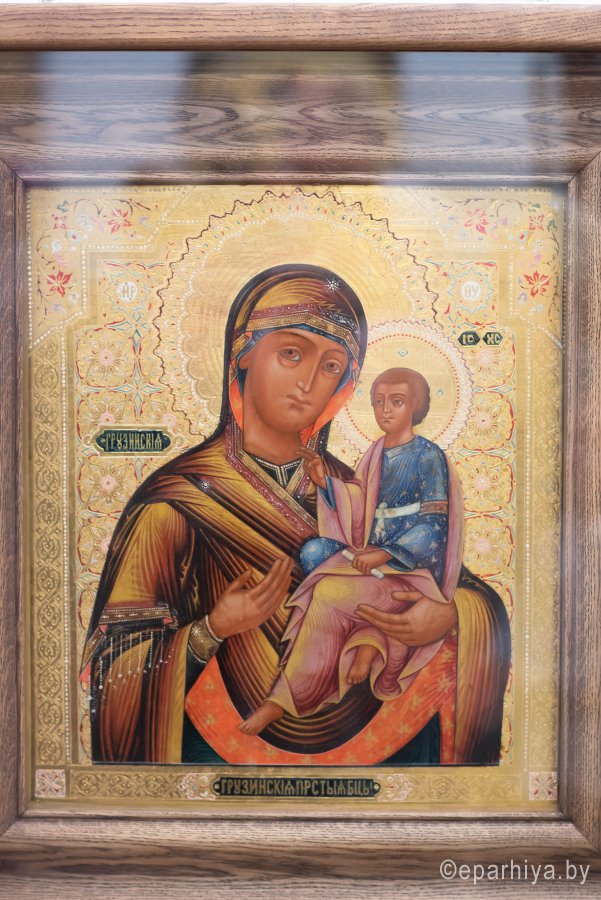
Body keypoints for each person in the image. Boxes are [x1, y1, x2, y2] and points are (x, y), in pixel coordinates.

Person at [81, 263, 510, 765]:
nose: (308, 382)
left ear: (342, 387)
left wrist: (450, 614)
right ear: (243, 355)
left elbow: (444, 573)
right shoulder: (175, 501)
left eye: (330, 367)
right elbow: (113, 670)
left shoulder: (355, 486)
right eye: (291, 353)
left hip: (387, 751)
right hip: (214, 761)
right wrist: (211, 630)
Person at [240, 367, 463, 735]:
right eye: (378, 402)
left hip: (407, 568)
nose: (385, 410)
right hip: (368, 554)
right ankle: (368, 637)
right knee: (315, 552)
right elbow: (360, 503)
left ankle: (287, 698)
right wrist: (326, 483)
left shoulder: (427, 456)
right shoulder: (375, 452)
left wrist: (386, 553)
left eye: (396, 402)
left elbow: (434, 526)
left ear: (416, 406)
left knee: (329, 590)